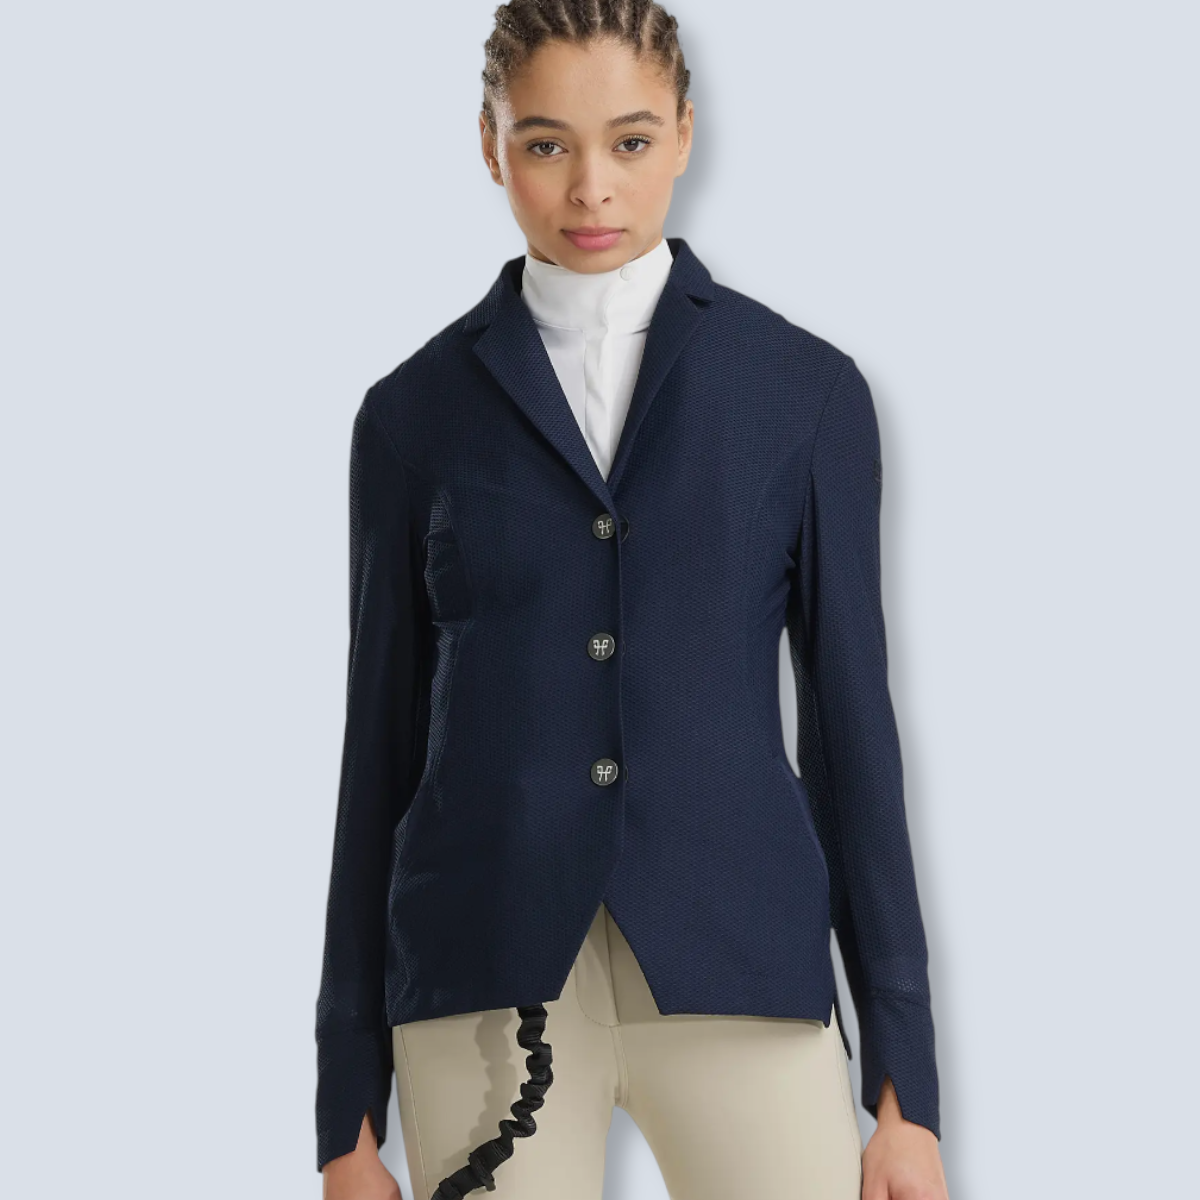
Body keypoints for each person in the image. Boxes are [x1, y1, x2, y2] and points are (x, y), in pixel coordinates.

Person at [316, 3, 950, 1198]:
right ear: (491, 145)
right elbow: (377, 753)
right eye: (546, 144)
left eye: (632, 141)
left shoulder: (803, 394)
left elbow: (855, 739)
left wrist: (903, 1088)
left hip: (740, 965)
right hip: (479, 982)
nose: (591, 188)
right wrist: (344, 1113)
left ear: (686, 135)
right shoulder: (409, 418)